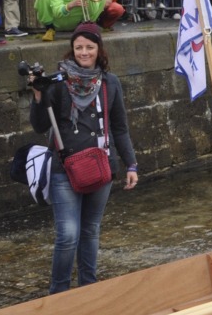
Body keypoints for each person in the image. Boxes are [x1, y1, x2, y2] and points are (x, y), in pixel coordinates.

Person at [28, 22, 138, 294]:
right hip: (64, 169)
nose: (84, 52)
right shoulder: (57, 82)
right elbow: (40, 126)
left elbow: (120, 127)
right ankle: (60, 293)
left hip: (101, 168)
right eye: (79, 47)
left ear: (99, 49)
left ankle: (88, 288)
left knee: (90, 231)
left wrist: (131, 164)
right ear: (72, 49)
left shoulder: (110, 83)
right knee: (67, 235)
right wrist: (38, 95)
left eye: (89, 47)